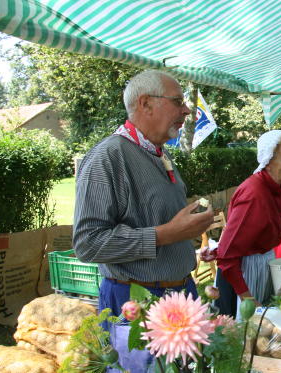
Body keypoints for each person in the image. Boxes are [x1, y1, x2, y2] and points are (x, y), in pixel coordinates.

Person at [73, 70, 214, 372]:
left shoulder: (158, 154)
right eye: (177, 102)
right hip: (136, 302)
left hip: (178, 296)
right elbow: (88, 244)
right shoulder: (107, 157)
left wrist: (188, 227)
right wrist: (166, 234)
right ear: (146, 103)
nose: (187, 110)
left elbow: (160, 221)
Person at [213, 127, 281, 317]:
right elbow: (227, 256)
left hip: (262, 265)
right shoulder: (254, 194)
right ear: (268, 161)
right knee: (243, 333)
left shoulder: (280, 188)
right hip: (241, 274)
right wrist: (248, 298)